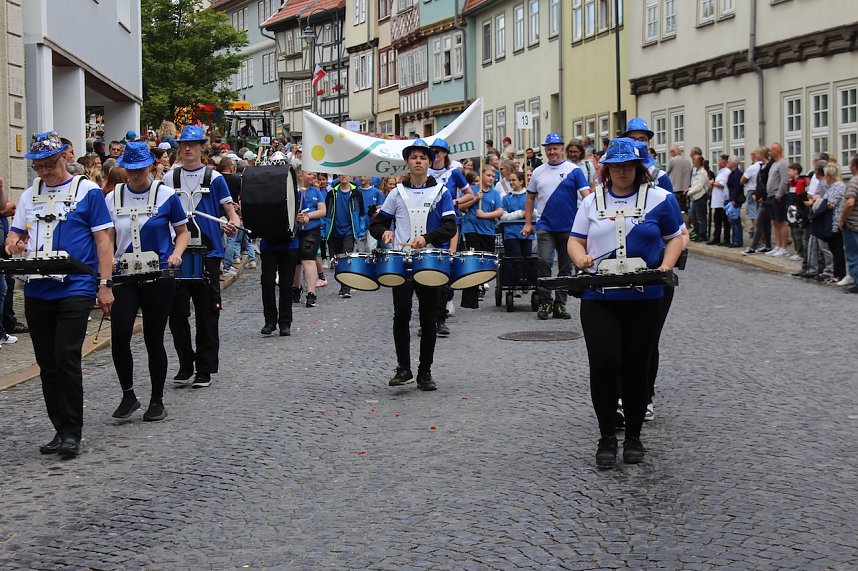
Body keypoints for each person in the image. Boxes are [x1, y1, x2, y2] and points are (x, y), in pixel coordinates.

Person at [568, 138, 683, 467]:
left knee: (636, 367)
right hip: (599, 297)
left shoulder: (660, 199)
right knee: (604, 364)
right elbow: (575, 240)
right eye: (615, 166)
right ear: (606, 169)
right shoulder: (592, 202)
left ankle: (633, 436)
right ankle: (606, 435)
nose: (622, 172)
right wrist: (581, 258)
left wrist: (665, 266)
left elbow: (674, 237)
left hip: (644, 297)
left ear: (638, 168)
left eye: (628, 166)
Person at [4, 131, 115, 458]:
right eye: (37, 165)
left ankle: (72, 432)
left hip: (76, 286)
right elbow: (15, 234)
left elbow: (103, 241)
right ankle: (59, 428)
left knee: (66, 355)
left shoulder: (88, 192)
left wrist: (105, 284)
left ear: (65, 157)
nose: (44, 170)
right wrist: (13, 244)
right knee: (46, 362)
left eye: (49, 163)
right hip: (38, 287)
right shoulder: (29, 195)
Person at [107, 142, 190, 422]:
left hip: (158, 275)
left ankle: (157, 399)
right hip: (124, 275)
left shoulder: (166, 195)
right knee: (119, 335)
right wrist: (105, 271)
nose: (135, 174)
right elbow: (106, 238)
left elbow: (182, 232)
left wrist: (177, 255)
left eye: (141, 168)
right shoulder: (113, 198)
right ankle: (128, 394)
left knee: (154, 337)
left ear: (151, 167)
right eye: (130, 169)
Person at [369, 140, 456, 391]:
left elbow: (450, 227)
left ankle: (425, 372)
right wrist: (384, 232)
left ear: (430, 163)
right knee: (401, 313)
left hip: (430, 261)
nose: (418, 161)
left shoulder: (441, 191)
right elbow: (377, 224)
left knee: (428, 319)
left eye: (423, 157)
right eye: (414, 157)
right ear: (407, 163)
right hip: (402, 261)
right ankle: (403, 368)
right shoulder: (396, 193)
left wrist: (427, 238)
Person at [167, 125, 240, 389]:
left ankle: (205, 369)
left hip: (209, 251)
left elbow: (231, 213)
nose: (188, 148)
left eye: (194, 144)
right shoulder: (169, 178)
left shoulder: (215, 178)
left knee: (208, 312)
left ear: (202, 147)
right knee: (176, 313)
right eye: (185, 144)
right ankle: (186, 363)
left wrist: (231, 223)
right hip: (176, 252)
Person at [522, 133, 591, 320]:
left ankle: (560, 303)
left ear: (562, 149)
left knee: (565, 266)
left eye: (555, 148)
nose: (552, 152)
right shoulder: (538, 172)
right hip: (545, 225)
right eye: (549, 149)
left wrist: (594, 215)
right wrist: (528, 223)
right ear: (545, 150)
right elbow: (530, 198)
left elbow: (587, 195)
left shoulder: (574, 170)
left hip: (569, 227)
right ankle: (545, 300)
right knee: (544, 261)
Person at [459, 165, 503, 308]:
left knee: (485, 262)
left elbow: (499, 212)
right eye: (488, 175)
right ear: (482, 175)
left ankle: (481, 285)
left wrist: (485, 215)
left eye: (493, 176)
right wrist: (475, 199)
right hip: (472, 230)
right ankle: (470, 298)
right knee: (473, 261)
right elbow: (461, 207)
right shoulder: (472, 190)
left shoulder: (495, 194)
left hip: (488, 232)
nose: (491, 178)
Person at [324, 174, 365, 299]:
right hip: (334, 230)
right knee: (337, 259)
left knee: (346, 257)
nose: (343, 177)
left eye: (345, 174)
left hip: (349, 230)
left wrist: (361, 232)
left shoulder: (356, 193)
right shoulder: (332, 193)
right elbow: (326, 213)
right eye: (341, 174)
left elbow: (361, 213)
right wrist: (324, 231)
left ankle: (346, 287)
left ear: (350, 176)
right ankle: (342, 285)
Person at [295, 172, 327, 307]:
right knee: (295, 262)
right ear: (300, 175)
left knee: (308, 260)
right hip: (294, 230)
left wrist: (308, 216)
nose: (313, 176)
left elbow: (322, 211)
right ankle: (296, 288)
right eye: (310, 174)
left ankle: (311, 293)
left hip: (312, 230)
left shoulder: (316, 191)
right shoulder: (291, 190)